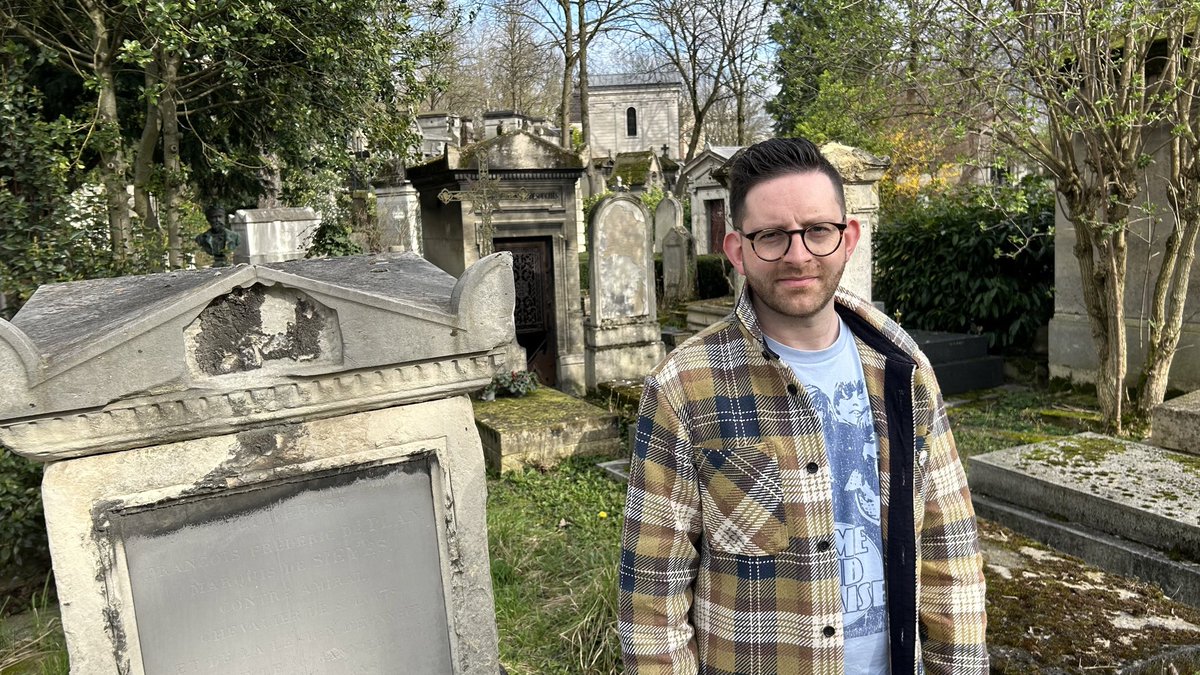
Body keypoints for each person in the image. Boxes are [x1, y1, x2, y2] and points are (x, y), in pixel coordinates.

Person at [618, 138, 988, 674]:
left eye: (818, 230)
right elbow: (651, 600)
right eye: (771, 236)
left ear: (849, 237)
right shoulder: (683, 388)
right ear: (737, 250)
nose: (798, 255)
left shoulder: (903, 369)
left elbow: (948, 549)